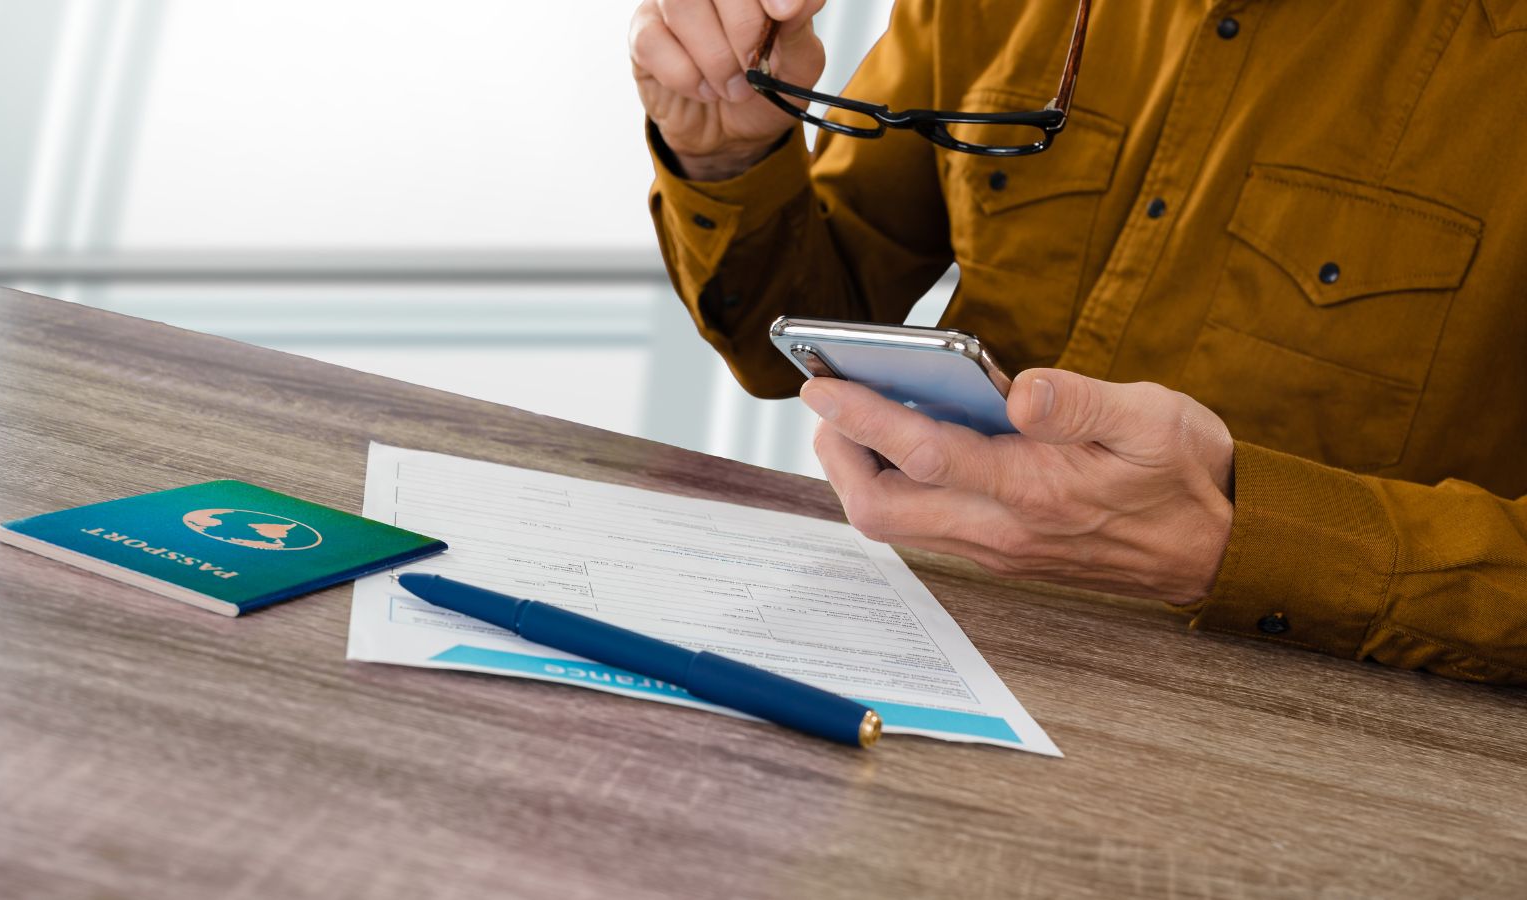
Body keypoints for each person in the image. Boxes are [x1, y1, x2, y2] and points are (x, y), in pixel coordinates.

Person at [627, 0, 1527, 685]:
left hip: (1333, 740)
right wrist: (726, 154)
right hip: (926, 643)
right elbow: (792, 330)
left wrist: (1238, 543)